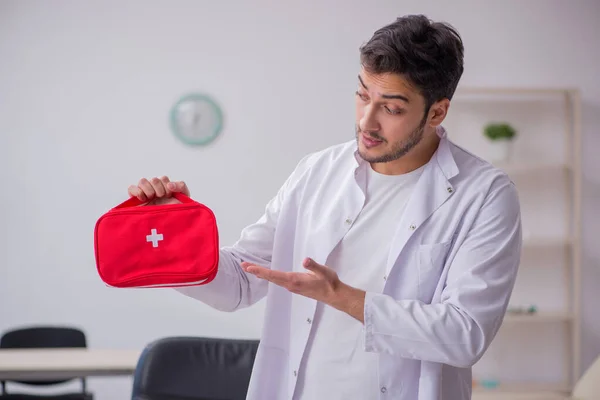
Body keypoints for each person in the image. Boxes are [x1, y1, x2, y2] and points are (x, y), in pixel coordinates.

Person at [127, 14, 522, 400]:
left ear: (436, 112)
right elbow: (243, 281)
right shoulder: (317, 172)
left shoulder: (484, 194)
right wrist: (173, 233)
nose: (367, 122)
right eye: (363, 95)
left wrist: (344, 297)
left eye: (392, 108)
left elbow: (464, 334)